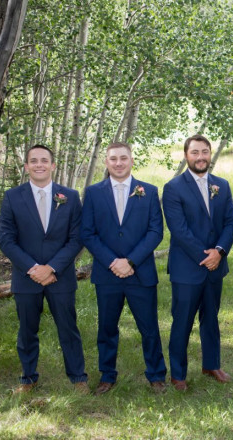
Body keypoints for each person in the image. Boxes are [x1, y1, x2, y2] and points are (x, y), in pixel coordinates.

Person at [0, 144, 88, 394]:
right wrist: (33, 268)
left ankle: (78, 377)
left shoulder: (69, 196)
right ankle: (28, 378)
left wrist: (52, 268)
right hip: (26, 277)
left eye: (44, 160)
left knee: (68, 328)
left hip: (60, 277)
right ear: (26, 166)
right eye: (33, 161)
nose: (39, 164)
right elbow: (6, 239)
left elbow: (77, 238)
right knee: (27, 330)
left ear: (53, 165)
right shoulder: (12, 197)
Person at [81, 142, 166, 395]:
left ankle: (156, 375)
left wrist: (130, 261)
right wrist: (112, 262)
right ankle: (107, 375)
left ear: (131, 160)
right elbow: (88, 233)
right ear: (106, 162)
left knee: (149, 327)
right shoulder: (94, 193)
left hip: (140, 272)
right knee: (107, 328)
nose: (118, 163)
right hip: (107, 274)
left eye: (123, 158)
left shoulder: (148, 191)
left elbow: (155, 232)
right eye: (113, 159)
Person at [162, 134, 233, 391]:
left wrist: (219, 251)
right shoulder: (173, 188)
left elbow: (231, 222)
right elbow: (179, 230)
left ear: (210, 154)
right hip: (187, 268)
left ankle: (211, 364)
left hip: (216, 265)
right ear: (186, 155)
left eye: (205, 151)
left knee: (211, 318)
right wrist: (206, 257)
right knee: (182, 321)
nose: (201, 157)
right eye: (195, 152)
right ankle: (178, 373)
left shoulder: (222, 185)